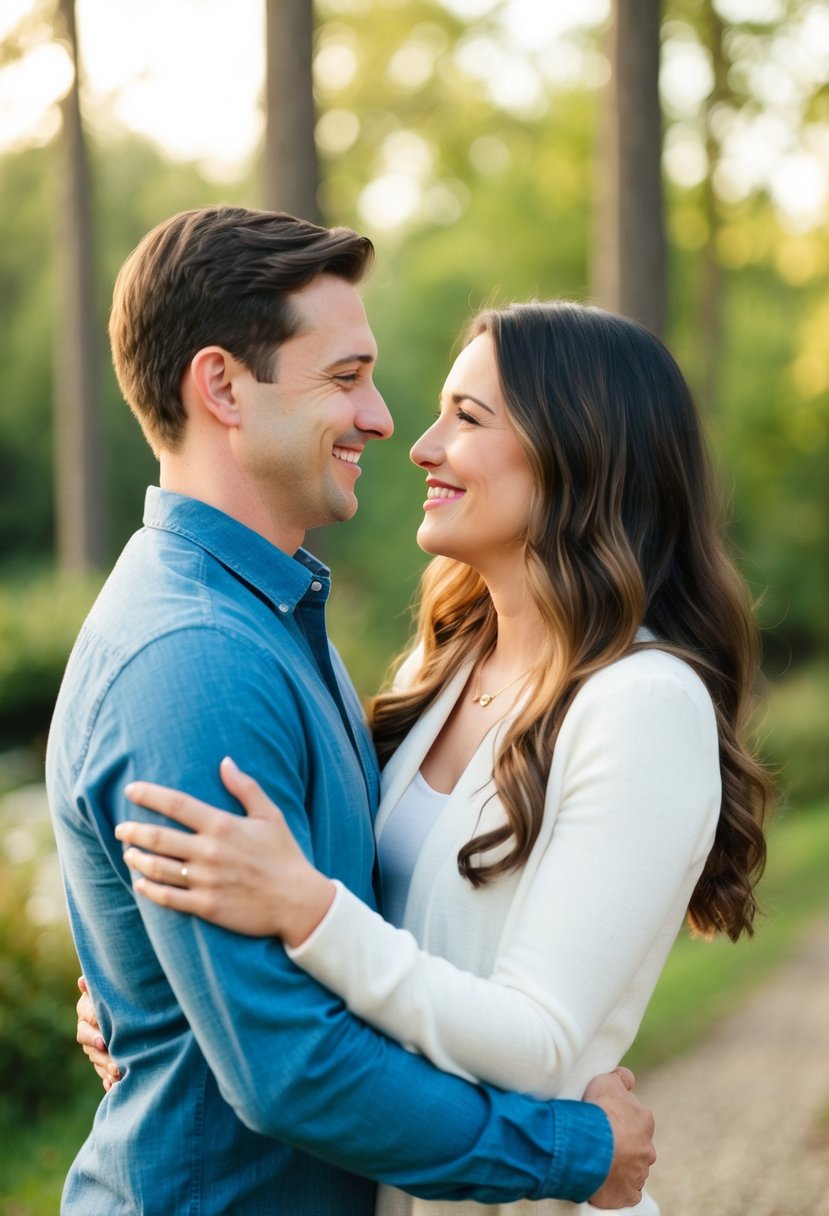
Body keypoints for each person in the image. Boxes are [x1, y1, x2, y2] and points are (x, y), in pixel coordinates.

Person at [78, 298, 770, 1215]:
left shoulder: (640, 704)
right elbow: (363, 927)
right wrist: (168, 996)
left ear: (579, 452)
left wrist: (309, 910)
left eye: (467, 419)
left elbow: (539, 1044)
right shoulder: (441, 669)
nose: (420, 443)